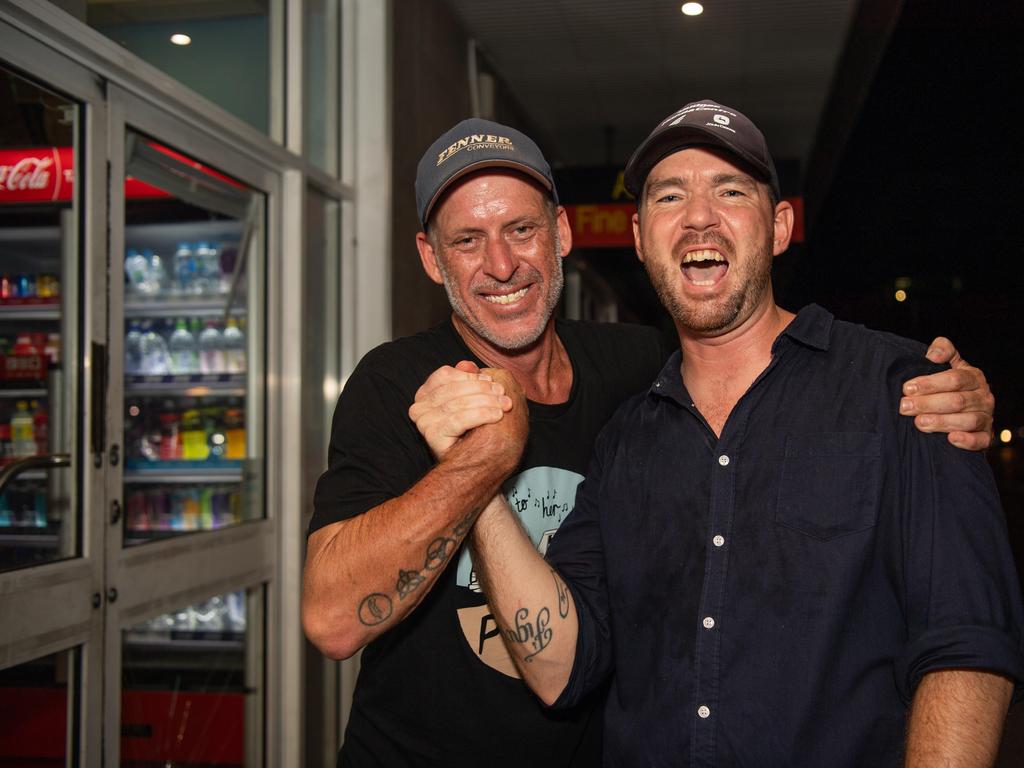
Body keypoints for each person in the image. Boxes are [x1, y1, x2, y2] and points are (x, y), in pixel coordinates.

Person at [302, 117, 996, 767]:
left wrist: (942, 389)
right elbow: (335, 621)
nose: (502, 263)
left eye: (520, 229)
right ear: (431, 258)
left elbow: (966, 638)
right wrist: (480, 462)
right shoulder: (402, 385)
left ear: (562, 235)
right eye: (466, 240)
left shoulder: (636, 371)